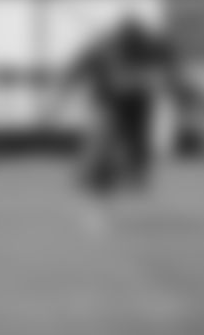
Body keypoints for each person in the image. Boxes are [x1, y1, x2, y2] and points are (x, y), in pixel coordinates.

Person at [64, 13, 172, 208]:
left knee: (136, 139)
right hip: (108, 98)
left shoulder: (147, 48)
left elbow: (162, 70)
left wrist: (151, 81)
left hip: (135, 100)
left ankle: (129, 173)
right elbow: (77, 69)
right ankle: (95, 175)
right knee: (104, 135)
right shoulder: (102, 48)